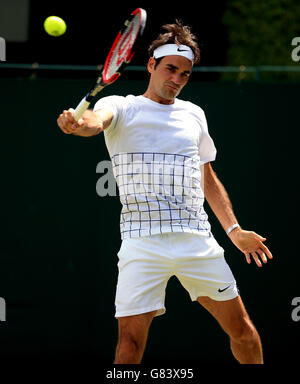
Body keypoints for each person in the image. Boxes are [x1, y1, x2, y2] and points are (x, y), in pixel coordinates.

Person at [57, 20, 273, 364]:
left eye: (185, 74)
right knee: (129, 345)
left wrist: (234, 231)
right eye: (170, 69)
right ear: (151, 65)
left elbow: (208, 176)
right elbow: (95, 122)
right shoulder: (122, 104)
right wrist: (78, 122)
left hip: (195, 241)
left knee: (243, 332)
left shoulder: (194, 114)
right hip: (141, 243)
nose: (176, 79)